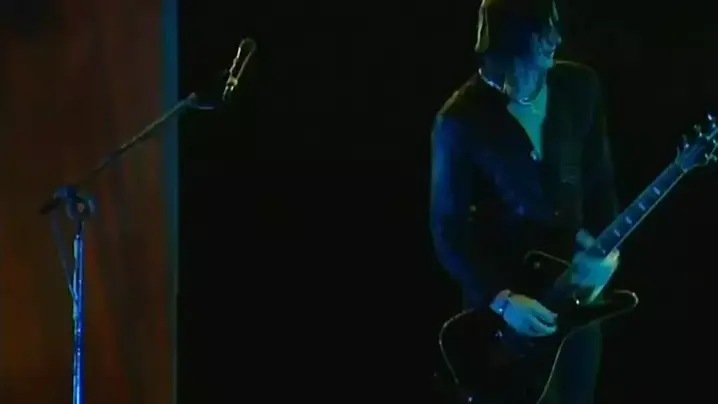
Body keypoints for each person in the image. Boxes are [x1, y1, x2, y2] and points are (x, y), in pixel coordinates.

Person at [430, 0, 620, 402]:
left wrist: (607, 252)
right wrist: (501, 300)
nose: (556, 39)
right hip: (505, 320)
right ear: (511, 36)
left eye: (554, 25)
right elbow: (448, 228)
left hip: (575, 302)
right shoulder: (460, 119)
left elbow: (600, 183)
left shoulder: (579, 87)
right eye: (542, 29)